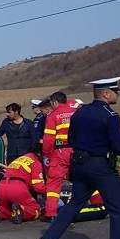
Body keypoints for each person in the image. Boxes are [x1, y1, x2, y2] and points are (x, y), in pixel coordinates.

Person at [38, 77, 120, 239]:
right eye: (116, 91)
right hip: (101, 166)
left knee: (75, 203)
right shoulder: (111, 116)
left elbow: (71, 139)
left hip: (79, 165)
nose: (118, 94)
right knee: (117, 209)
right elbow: (119, 146)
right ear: (106, 93)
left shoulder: (80, 114)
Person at [41, 91, 79, 221]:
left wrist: (47, 154)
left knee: (53, 183)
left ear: (55, 102)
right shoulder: (77, 111)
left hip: (60, 152)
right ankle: (97, 203)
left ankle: (51, 213)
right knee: (85, 178)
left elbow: (48, 139)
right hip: (78, 151)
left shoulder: (53, 115)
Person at [0, 151, 45, 224]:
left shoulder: (18, 159)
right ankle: (22, 210)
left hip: (1, 187)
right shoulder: (36, 162)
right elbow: (38, 188)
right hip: (17, 187)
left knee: (8, 209)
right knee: (35, 209)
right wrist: (50, 192)